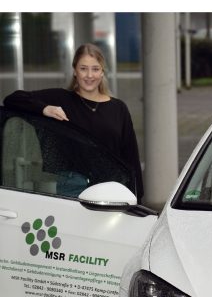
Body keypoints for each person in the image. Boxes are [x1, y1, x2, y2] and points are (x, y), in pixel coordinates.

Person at [3, 43, 143, 201]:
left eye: (95, 69)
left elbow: (131, 155)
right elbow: (12, 99)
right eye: (83, 68)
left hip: (112, 186)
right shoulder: (61, 99)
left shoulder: (118, 108)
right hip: (73, 185)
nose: (89, 75)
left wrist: (137, 196)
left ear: (102, 72)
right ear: (75, 71)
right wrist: (45, 109)